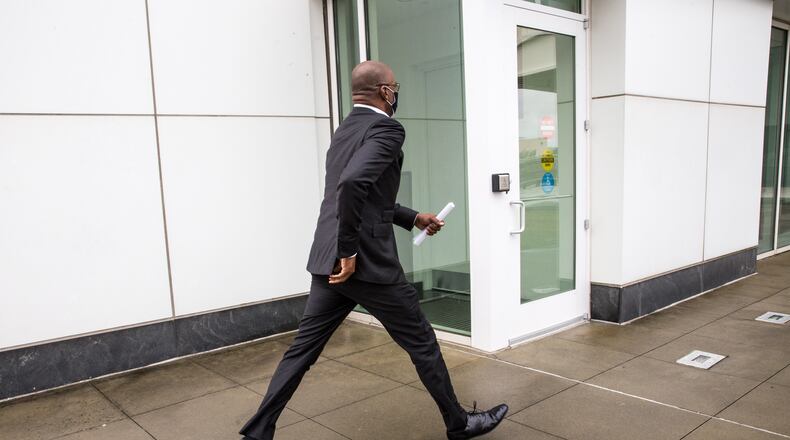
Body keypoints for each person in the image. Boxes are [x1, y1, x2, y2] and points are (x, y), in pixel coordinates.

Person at [239, 61, 507, 440]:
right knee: (422, 341)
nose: (396, 93)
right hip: (363, 265)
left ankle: (258, 431)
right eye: (395, 86)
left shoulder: (345, 130)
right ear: (384, 91)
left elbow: (359, 195)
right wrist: (350, 253)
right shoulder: (387, 128)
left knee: (301, 352)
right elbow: (351, 186)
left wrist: (413, 217)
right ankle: (459, 424)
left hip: (327, 260)